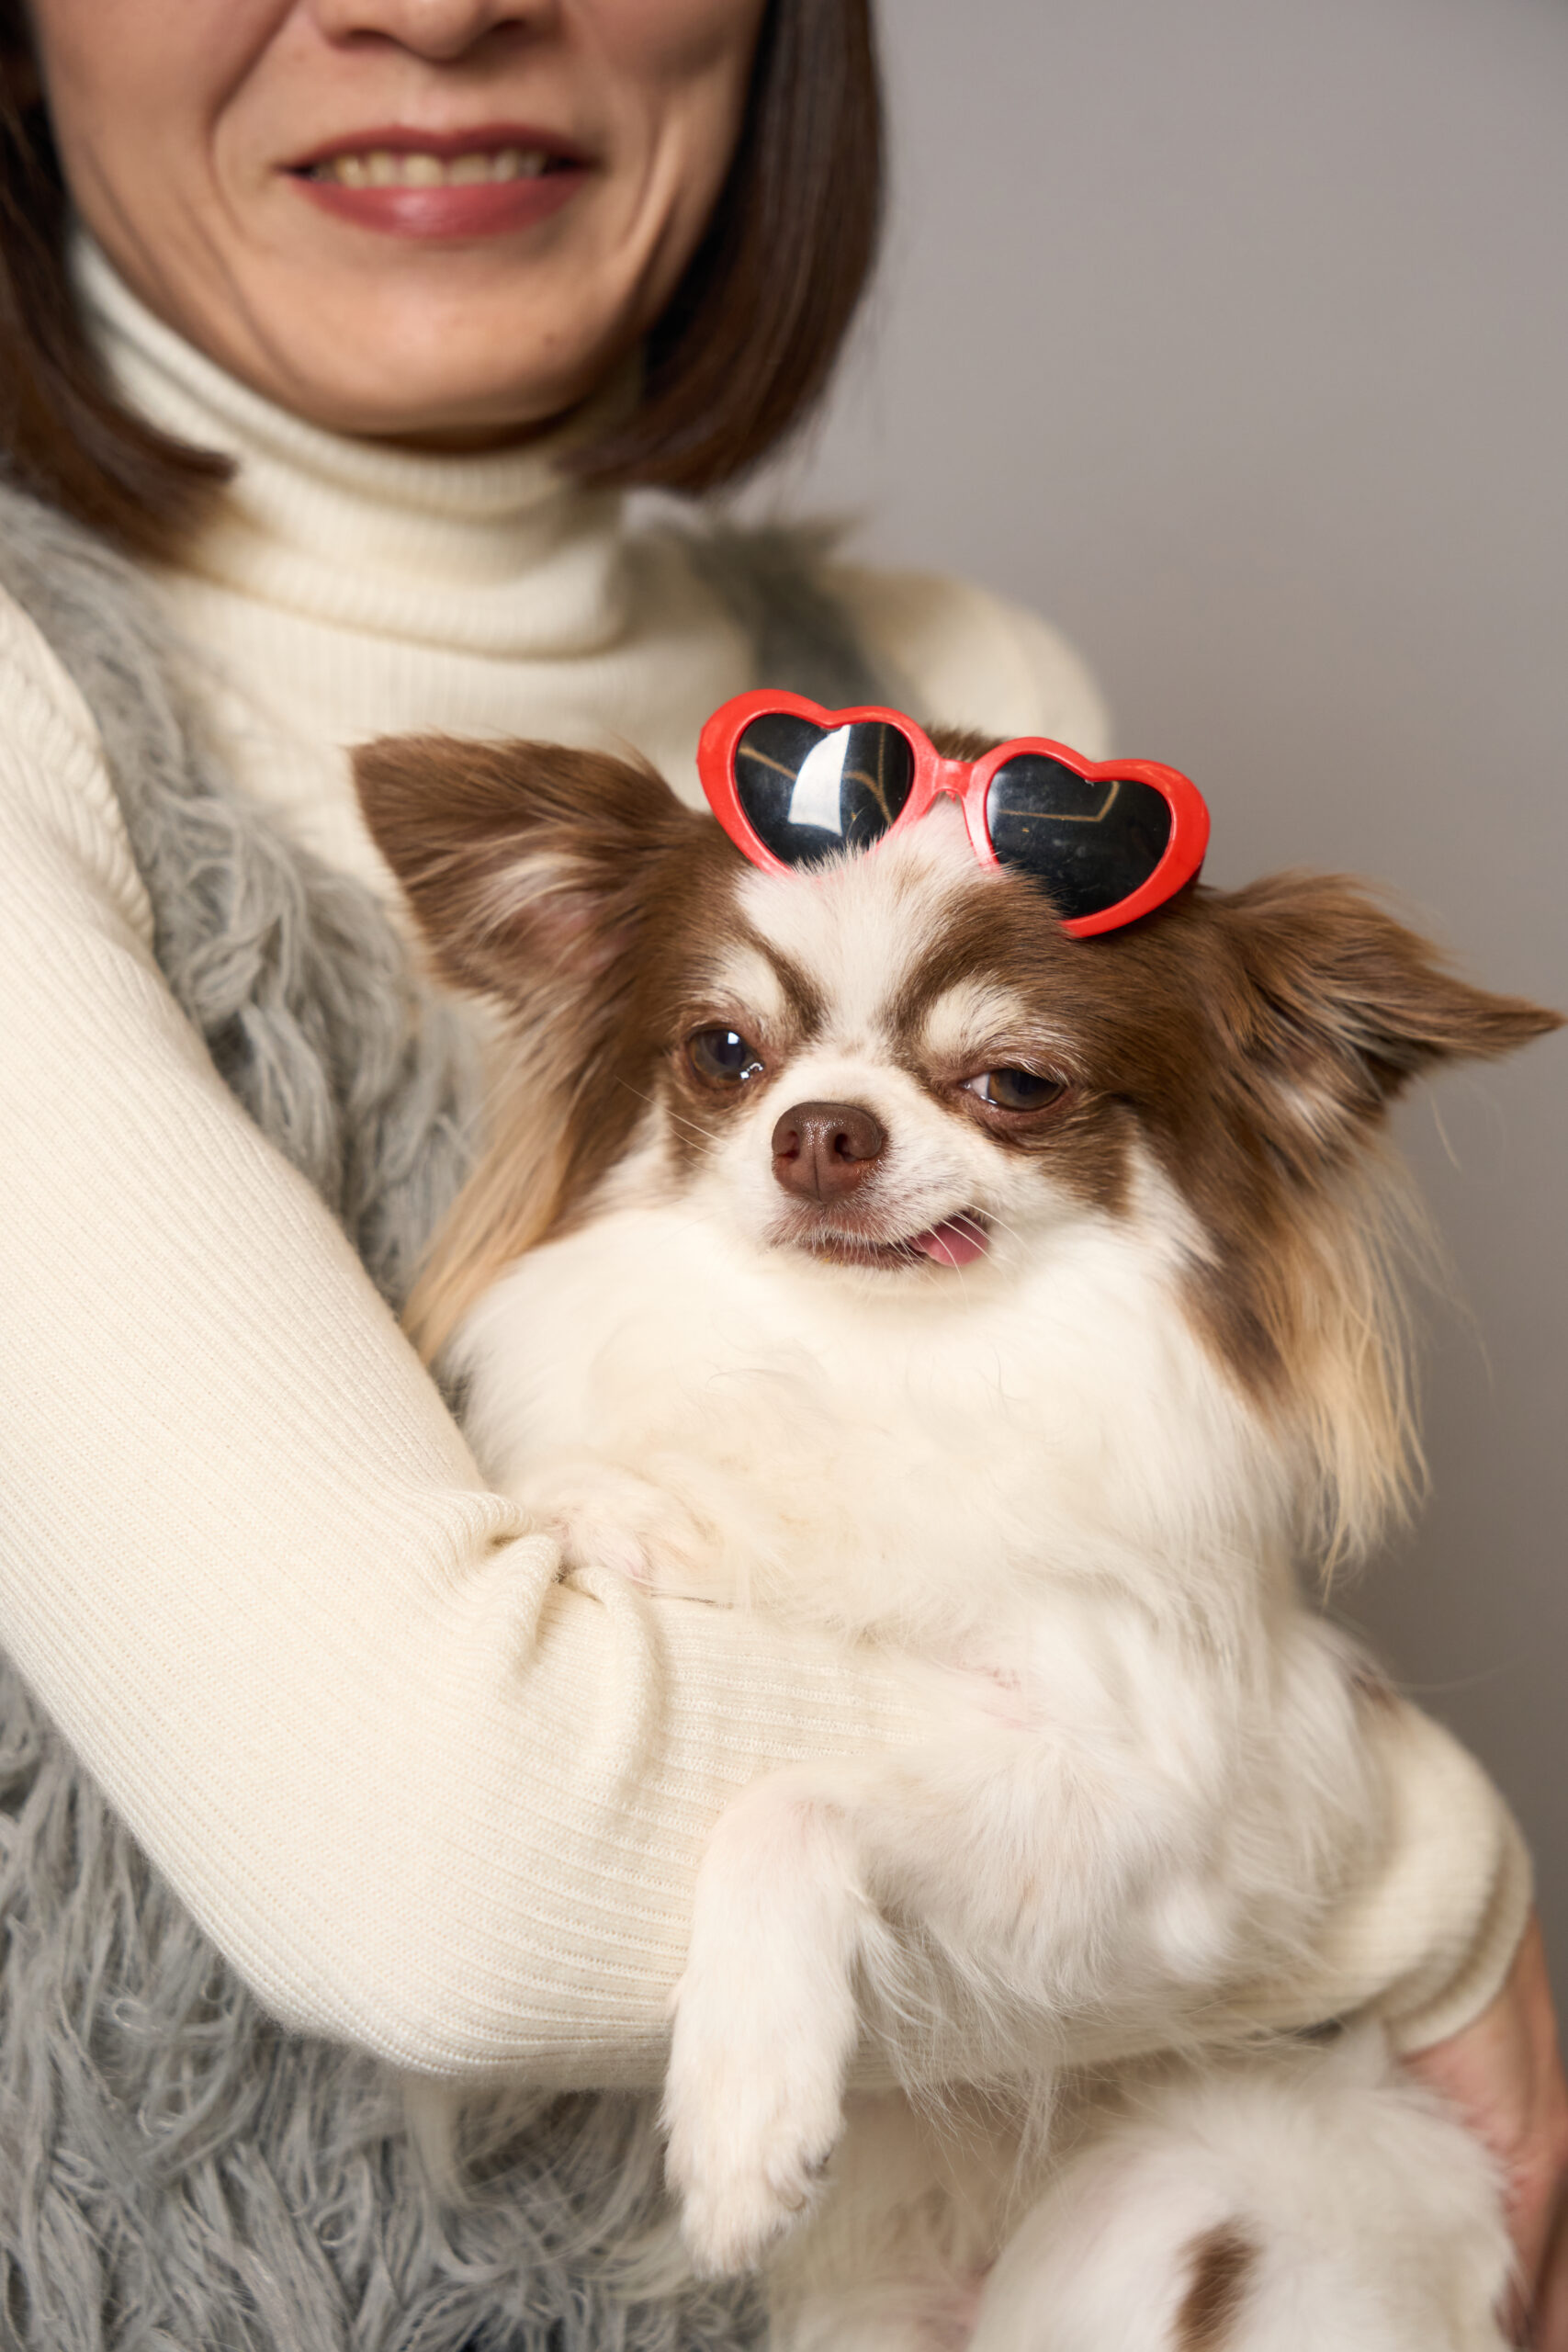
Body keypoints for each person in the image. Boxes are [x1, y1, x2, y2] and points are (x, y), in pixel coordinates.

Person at [0, 0, 1562, 2343]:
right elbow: (444, 1860)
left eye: (1001, 1081)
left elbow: (1137, 1566)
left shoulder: (955, 681)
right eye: (731, 1056)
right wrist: (1415, 1871)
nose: (436, 7)